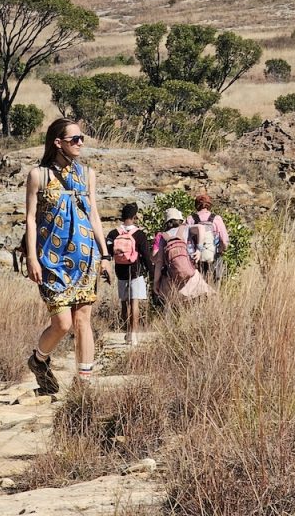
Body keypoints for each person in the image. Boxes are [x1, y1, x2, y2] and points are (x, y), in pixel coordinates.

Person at [24, 117, 112, 392]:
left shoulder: (87, 175)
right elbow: (30, 219)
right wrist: (31, 258)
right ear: (57, 143)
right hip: (51, 260)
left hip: (86, 259)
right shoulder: (39, 175)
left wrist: (105, 255)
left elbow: (94, 214)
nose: (80, 143)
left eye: (82, 138)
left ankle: (83, 387)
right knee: (62, 323)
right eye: (75, 139)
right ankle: (39, 360)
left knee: (83, 319)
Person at [106, 203, 153, 346]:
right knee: (135, 303)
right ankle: (134, 335)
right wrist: (151, 272)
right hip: (136, 272)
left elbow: (108, 253)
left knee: (124, 304)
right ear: (134, 217)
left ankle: (126, 333)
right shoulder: (139, 234)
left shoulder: (113, 234)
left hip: (120, 272)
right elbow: (145, 256)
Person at [153, 207, 210, 304]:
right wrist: (199, 250)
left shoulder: (164, 236)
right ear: (179, 219)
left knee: (173, 307)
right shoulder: (186, 228)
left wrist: (156, 283)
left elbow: (159, 263)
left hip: (172, 279)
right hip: (190, 274)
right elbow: (201, 228)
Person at [186, 192, 229, 284]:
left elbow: (185, 238)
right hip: (213, 256)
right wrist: (221, 250)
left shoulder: (190, 219)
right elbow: (224, 241)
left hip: (196, 257)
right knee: (214, 282)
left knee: (198, 283)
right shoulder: (216, 218)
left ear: (197, 205)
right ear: (209, 205)